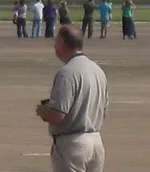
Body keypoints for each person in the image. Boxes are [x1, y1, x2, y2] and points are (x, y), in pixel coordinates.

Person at [35, 25, 108, 171]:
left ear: (62, 42)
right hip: (95, 141)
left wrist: (43, 111)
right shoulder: (97, 70)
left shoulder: (67, 72)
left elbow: (58, 114)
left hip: (73, 143)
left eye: (56, 42)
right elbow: (104, 109)